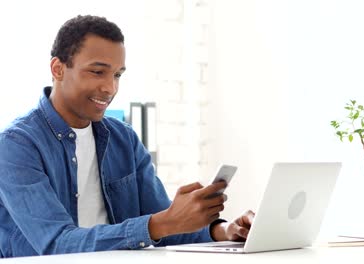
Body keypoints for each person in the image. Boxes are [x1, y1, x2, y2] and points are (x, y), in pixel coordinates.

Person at [0, 15, 254, 258]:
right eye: (98, 72)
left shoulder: (124, 139)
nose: (110, 88)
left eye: (117, 74)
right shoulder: (16, 145)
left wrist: (224, 231)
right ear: (58, 69)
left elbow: (164, 223)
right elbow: (56, 244)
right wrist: (162, 223)